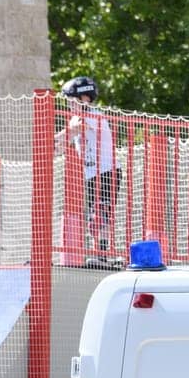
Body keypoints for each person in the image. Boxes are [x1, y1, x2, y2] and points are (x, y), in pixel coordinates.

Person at [58, 76, 119, 262]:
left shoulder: (94, 115)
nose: (69, 104)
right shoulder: (76, 118)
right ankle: (101, 252)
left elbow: (76, 129)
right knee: (95, 215)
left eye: (72, 100)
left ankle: (102, 254)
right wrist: (55, 144)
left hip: (108, 171)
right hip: (92, 174)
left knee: (100, 213)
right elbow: (65, 141)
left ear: (84, 99)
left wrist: (54, 138)